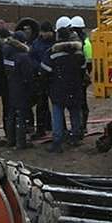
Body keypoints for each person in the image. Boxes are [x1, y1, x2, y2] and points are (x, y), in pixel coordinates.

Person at [48, 24, 89, 152]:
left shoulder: (53, 53)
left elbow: (45, 70)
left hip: (58, 89)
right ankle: (76, 137)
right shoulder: (78, 53)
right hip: (75, 88)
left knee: (58, 114)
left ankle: (57, 142)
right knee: (75, 112)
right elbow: (83, 70)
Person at [5, 29, 37, 150]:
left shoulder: (7, 53)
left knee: (12, 114)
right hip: (22, 89)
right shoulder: (23, 57)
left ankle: (10, 140)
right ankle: (20, 142)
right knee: (22, 116)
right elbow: (28, 76)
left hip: (11, 87)